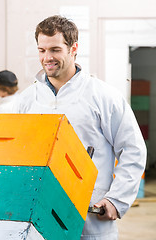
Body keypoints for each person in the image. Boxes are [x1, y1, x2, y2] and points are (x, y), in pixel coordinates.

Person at [14, 15, 146, 239]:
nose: (47, 58)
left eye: (55, 49)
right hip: (39, 216)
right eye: (42, 50)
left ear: (74, 48)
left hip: (92, 217)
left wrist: (116, 200)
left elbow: (133, 150)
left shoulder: (103, 96)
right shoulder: (28, 99)